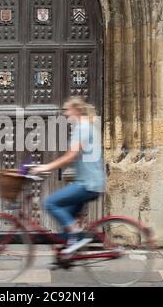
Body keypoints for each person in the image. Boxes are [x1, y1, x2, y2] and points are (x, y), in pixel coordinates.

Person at [30, 97, 106, 254]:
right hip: (89, 182)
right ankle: (67, 256)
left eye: (67, 110)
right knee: (67, 222)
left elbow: (71, 155)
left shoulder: (83, 128)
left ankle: (77, 235)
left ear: (76, 110)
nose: (65, 113)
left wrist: (46, 167)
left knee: (50, 203)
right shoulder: (86, 126)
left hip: (87, 184)